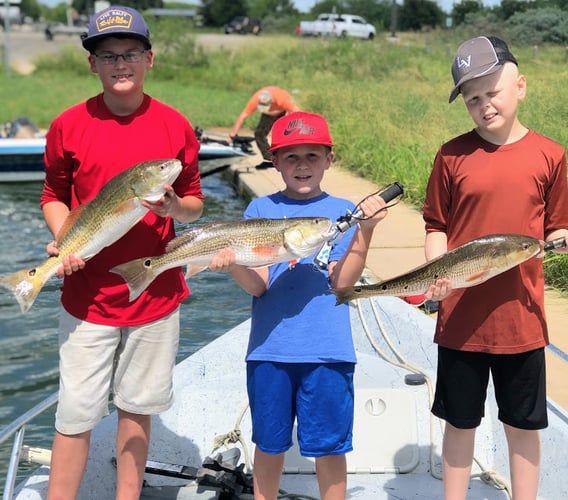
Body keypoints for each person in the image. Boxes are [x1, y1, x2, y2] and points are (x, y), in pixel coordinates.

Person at [41, 6, 204, 499]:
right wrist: (63, 243)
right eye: (108, 55)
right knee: (74, 414)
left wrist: (176, 204)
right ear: (93, 65)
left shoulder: (175, 126)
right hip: (86, 297)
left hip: (154, 295)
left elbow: (194, 205)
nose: (120, 64)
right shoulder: (68, 125)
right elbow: (54, 196)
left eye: (130, 53)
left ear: (149, 58)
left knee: (137, 408)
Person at [210, 111, 389, 500]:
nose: (302, 165)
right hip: (270, 351)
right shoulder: (259, 211)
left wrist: (366, 231)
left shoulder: (343, 212)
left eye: (312, 155)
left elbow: (342, 282)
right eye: (291, 157)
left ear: (329, 159)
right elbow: (258, 287)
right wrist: (234, 263)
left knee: (329, 448)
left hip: (328, 352)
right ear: (274, 162)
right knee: (269, 444)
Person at [423, 35, 568, 499]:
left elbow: (557, 228)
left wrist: (558, 244)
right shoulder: (450, 155)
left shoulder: (551, 155)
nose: (485, 106)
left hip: (522, 321)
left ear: (521, 86)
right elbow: (435, 226)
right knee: (459, 422)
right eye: (473, 99)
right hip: (461, 318)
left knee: (522, 424)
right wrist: (435, 273)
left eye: (494, 93)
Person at [230, 86, 300, 168]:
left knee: (283, 135)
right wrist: (233, 135)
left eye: (268, 107)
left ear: (272, 102)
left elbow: (299, 114)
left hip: (282, 110)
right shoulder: (257, 99)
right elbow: (243, 115)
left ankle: (289, 157)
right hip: (269, 114)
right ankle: (270, 159)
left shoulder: (282, 99)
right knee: (259, 133)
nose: (267, 109)